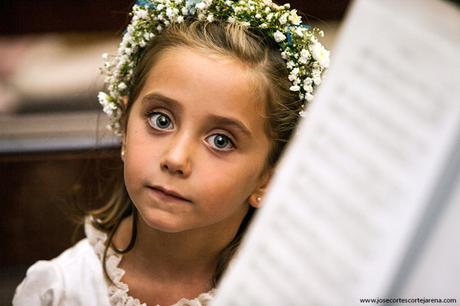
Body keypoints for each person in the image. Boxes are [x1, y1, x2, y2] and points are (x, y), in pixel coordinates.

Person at [13, 0, 329, 305]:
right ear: (124, 126)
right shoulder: (60, 291)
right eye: (161, 120)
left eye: (221, 140)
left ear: (268, 179)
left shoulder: (288, 295)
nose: (176, 159)